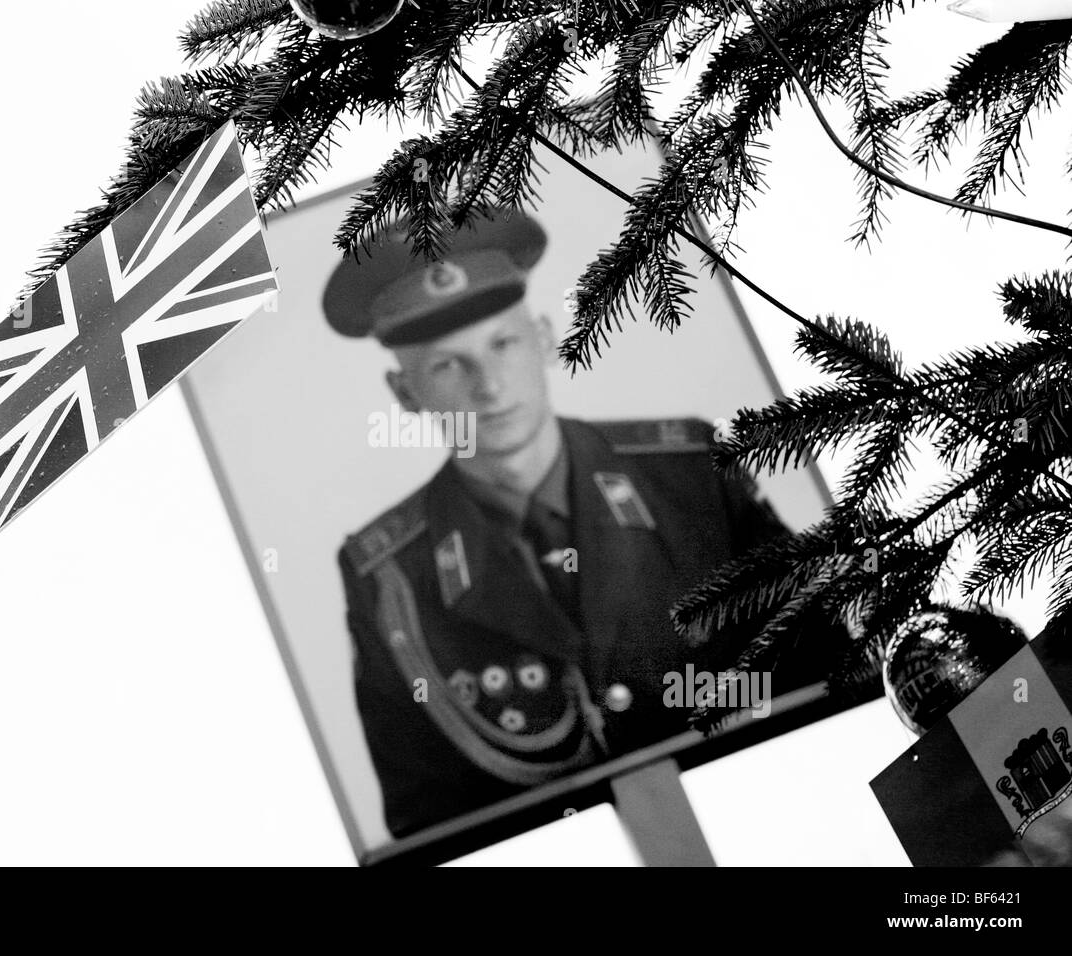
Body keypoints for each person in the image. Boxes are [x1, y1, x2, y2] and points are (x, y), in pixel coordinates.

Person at [325, 209, 832, 839]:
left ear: (543, 340)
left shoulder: (691, 475)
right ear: (405, 395)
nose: (488, 386)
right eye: (448, 366)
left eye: (503, 344)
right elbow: (430, 824)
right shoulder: (388, 573)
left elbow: (826, 667)